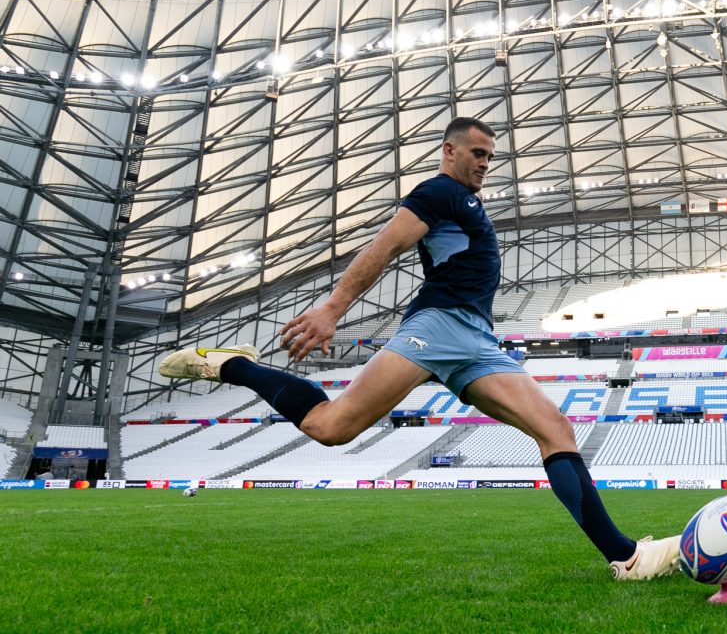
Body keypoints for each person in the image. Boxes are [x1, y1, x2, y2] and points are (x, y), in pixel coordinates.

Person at [159, 116, 680, 580]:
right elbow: (384, 246)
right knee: (330, 428)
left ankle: (626, 558)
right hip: (437, 328)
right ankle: (236, 366)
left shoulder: (466, 201)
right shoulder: (438, 192)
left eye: (490, 157)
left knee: (555, 429)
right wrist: (332, 310)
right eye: (478, 154)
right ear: (449, 150)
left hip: (477, 339)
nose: (485, 164)